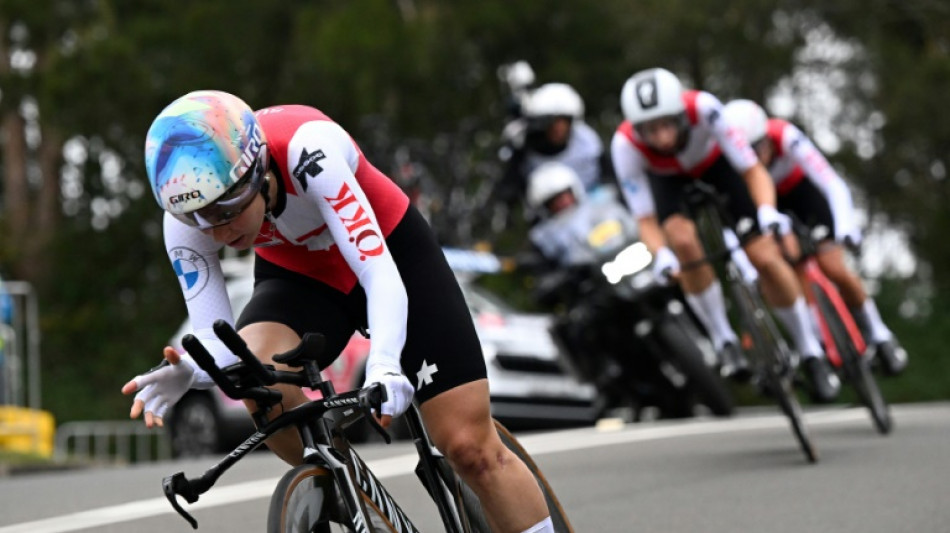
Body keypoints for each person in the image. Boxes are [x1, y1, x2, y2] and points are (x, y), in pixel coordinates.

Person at [121, 90, 555, 533]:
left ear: (257, 170)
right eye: (200, 217)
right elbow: (218, 341)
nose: (216, 228)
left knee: (470, 449)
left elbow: (378, 274)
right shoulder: (184, 218)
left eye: (227, 209)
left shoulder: (310, 148)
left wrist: (385, 364)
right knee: (253, 374)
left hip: (390, 256)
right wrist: (194, 369)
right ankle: (349, 490)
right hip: (304, 280)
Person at [610, 67, 841, 403]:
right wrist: (661, 256)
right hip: (669, 182)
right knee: (683, 242)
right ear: (636, 129)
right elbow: (645, 218)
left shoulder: (705, 108)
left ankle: (810, 352)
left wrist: (765, 210)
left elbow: (752, 170)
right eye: (650, 130)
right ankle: (724, 340)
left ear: (681, 115)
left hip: (719, 167)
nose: (660, 138)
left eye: (666, 125)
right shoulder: (624, 145)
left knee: (764, 256)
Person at [723, 99, 907, 375]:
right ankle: (818, 339)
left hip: (804, 195)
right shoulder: (734, 167)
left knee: (832, 266)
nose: (755, 158)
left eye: (759, 147)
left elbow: (831, 183)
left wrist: (845, 226)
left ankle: (879, 332)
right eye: (746, 152)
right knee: (789, 265)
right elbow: (732, 224)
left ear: (767, 138)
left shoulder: (785, 136)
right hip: (769, 209)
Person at [496, 82, 613, 213]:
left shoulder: (585, 140)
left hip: (593, 208)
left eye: (563, 121)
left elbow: (608, 173)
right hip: (551, 220)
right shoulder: (526, 149)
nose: (558, 128)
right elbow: (509, 190)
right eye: (551, 122)